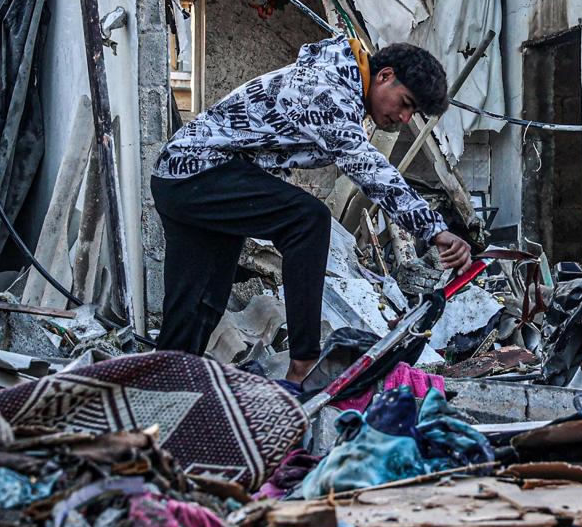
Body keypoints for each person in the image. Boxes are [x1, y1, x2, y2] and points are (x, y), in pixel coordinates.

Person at [150, 35, 472, 385]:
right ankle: (304, 362)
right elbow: (369, 170)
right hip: (200, 171)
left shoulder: (339, 83)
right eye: (406, 103)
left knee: (199, 304)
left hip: (183, 175)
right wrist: (433, 228)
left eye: (413, 113)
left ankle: (163, 389)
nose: (404, 117)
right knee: (308, 220)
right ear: (384, 76)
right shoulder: (327, 88)